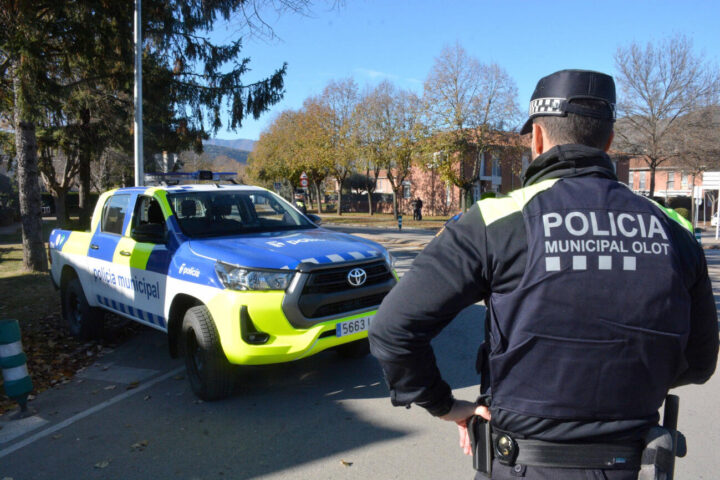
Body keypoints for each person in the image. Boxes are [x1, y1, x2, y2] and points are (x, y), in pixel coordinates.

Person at [368, 69, 718, 479]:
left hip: (522, 466)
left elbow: (393, 329)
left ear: (537, 138)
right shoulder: (673, 228)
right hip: (632, 464)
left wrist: (445, 405)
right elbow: (698, 362)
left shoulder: (495, 220)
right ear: (608, 142)